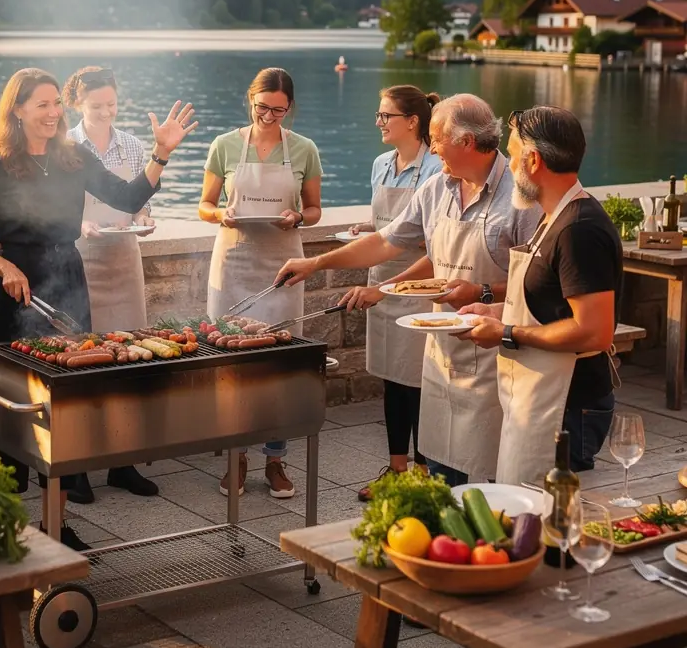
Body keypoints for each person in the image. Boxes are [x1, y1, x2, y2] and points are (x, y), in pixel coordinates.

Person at [0, 67, 196, 551]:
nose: (53, 113)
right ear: (19, 109)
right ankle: (3, 526)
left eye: (57, 104)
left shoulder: (74, 158)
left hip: (68, 281)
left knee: (63, 411)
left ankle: (57, 522)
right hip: (15, 293)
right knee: (11, 412)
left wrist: (162, 153)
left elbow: (129, 196)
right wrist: (2, 266)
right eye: (43, 104)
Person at [277, 94, 541, 486]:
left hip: (495, 357)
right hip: (441, 353)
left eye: (437, 139)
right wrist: (316, 263)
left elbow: (536, 282)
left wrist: (481, 291)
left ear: (466, 142)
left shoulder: (522, 198)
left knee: (488, 477)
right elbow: (385, 242)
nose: (432, 148)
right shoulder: (436, 189)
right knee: (438, 469)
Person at [455, 106, 621, 648]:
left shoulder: (580, 226)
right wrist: (496, 306)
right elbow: (548, 299)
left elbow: (592, 329)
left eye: (516, 147)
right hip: (547, 398)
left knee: (561, 551)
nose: (510, 157)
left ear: (533, 161)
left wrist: (510, 335)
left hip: (570, 405)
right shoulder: (556, 217)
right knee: (546, 540)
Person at [199, 67, 322, 499]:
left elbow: (314, 210)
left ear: (290, 109)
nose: (270, 117)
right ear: (249, 101)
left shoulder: (304, 149)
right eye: (262, 108)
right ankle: (237, 457)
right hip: (233, 260)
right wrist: (221, 216)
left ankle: (275, 459)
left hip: (282, 262)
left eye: (279, 110)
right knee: (232, 366)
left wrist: (297, 217)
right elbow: (205, 205)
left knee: (279, 365)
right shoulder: (224, 145)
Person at [64, 65, 159, 499]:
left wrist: (143, 219)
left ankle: (123, 462)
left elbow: (137, 200)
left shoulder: (134, 145)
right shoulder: (66, 146)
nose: (106, 112)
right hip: (82, 261)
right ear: (78, 104)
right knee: (84, 361)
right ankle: (78, 466)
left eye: (112, 105)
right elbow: (59, 207)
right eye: (97, 105)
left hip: (124, 259)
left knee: (129, 358)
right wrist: (81, 224)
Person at [344, 86, 443, 501]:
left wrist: (394, 242)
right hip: (380, 279)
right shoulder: (381, 164)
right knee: (391, 377)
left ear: (413, 122)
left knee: (418, 380)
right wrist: (370, 231)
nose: (379, 122)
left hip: (417, 283)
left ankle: (424, 469)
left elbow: (436, 240)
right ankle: (396, 468)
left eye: (386, 115)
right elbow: (386, 224)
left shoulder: (438, 168)